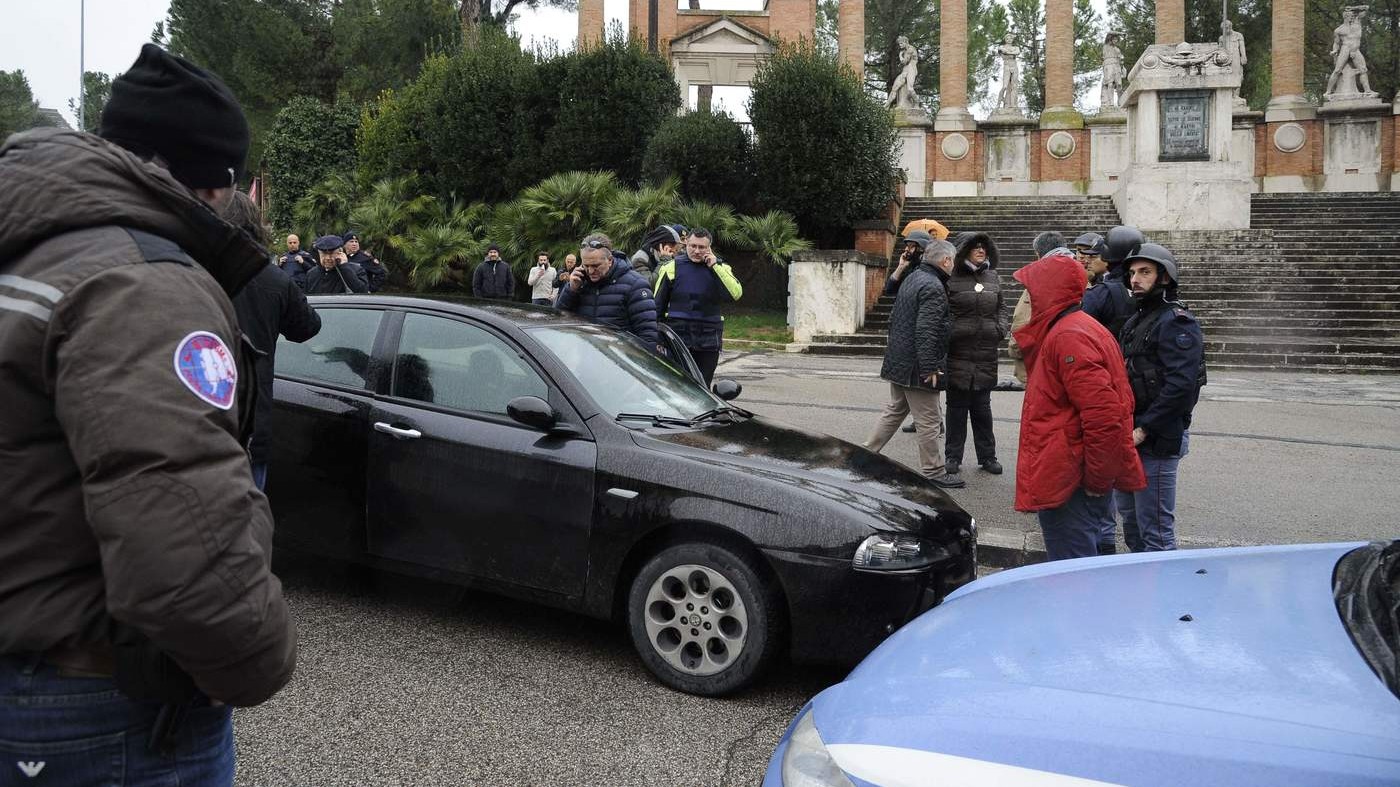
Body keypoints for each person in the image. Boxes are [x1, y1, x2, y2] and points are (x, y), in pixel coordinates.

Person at [0, 43, 295, 784]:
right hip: (103, 705)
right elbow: (181, 537)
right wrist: (257, 657)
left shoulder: (32, 252)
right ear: (215, 183)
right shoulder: (143, 282)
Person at [1012, 250, 1146, 561]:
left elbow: (1105, 416)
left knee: (1070, 571)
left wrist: (1098, 481)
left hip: (1071, 478)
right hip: (1071, 472)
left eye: (1034, 292)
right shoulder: (1076, 327)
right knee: (1080, 566)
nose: (1030, 299)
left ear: (1051, 291)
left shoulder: (1068, 335)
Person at [226, 192, 321, 491]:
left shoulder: (192, 269)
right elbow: (307, 326)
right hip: (252, 425)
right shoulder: (275, 279)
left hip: (199, 423)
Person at [1117, 243, 1206, 553]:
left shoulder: (1177, 321)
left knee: (1155, 531)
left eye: (1145, 272)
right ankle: (1141, 591)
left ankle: (1165, 597)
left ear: (1164, 277)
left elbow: (1181, 386)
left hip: (1157, 439)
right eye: (1132, 273)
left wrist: (1144, 429)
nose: (1136, 279)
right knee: (1131, 523)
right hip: (1131, 436)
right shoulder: (1137, 319)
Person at [864, 237, 963, 489]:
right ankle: (934, 471)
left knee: (895, 410)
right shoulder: (933, 286)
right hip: (917, 365)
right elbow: (927, 330)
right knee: (929, 420)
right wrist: (930, 367)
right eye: (953, 262)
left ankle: (864, 454)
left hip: (900, 360)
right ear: (946, 260)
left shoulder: (913, 277)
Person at [944, 231, 1007, 478]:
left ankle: (988, 456)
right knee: (956, 408)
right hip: (958, 351)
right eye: (975, 247)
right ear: (964, 250)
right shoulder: (951, 277)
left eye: (984, 246)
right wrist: (954, 331)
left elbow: (1002, 307)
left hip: (985, 352)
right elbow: (944, 310)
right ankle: (952, 457)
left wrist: (999, 329)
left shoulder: (992, 276)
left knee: (983, 408)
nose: (981, 250)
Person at [653, 227, 743, 384]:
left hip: (708, 338)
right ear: (686, 243)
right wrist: (657, 339)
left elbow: (736, 293)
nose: (696, 251)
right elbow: (657, 307)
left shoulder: (721, 268)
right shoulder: (671, 267)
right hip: (678, 337)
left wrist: (715, 267)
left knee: (703, 384)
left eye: (701, 247)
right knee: (677, 383)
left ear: (709, 248)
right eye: (692, 246)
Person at [555, 233, 659, 345]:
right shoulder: (579, 282)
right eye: (586, 265)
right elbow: (558, 320)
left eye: (595, 266)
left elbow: (648, 339)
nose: (590, 271)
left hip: (619, 359)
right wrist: (571, 290)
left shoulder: (636, 285)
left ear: (609, 260)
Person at [1008, 231, 1074, 385]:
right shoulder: (1080, 273)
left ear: (1038, 254)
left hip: (1043, 363)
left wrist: (1015, 349)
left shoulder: (1039, 279)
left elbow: (1022, 321)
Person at [1083, 225, 1140, 339]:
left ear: (1106, 256)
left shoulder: (1098, 293)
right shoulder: (1153, 289)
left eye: (1094, 256)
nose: (1087, 261)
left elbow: (1080, 331)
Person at [303, 234, 369, 294]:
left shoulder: (356, 270)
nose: (328, 258)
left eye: (331, 253)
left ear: (340, 252)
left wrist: (344, 268)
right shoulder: (311, 274)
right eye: (324, 253)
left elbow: (363, 292)